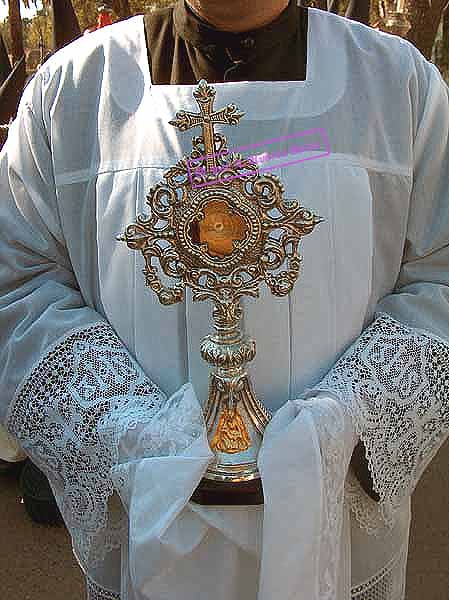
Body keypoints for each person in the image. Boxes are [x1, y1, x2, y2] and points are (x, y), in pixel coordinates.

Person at [1, 1, 449, 599]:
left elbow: (440, 275)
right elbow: (19, 281)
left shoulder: (398, 83)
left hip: (338, 527)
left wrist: (350, 426)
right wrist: (123, 433)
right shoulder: (73, 91)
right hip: (145, 525)